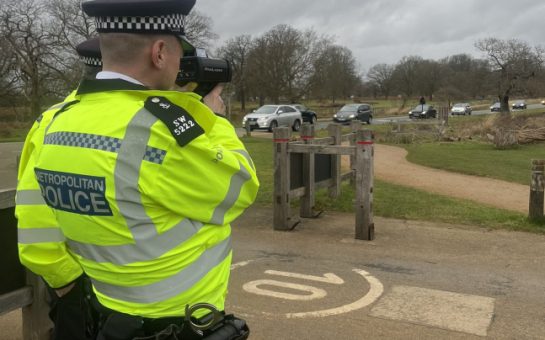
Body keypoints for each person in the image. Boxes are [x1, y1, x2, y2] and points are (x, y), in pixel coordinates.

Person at [15, 0, 259, 339]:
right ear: (159, 52)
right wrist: (213, 119)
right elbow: (239, 187)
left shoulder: (56, 123)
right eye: (178, 52)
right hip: (177, 319)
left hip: (107, 311)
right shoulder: (160, 132)